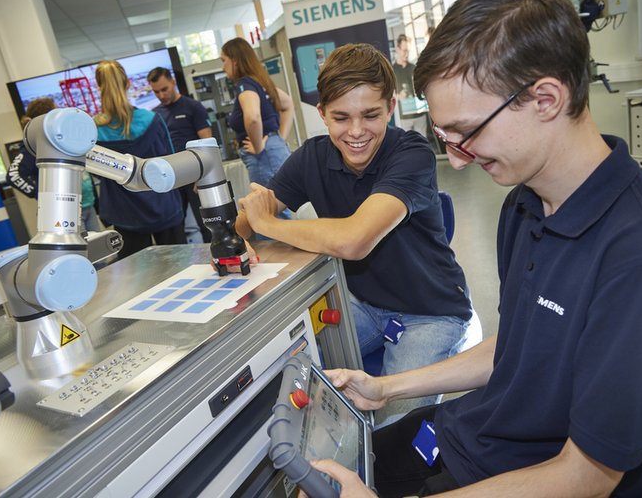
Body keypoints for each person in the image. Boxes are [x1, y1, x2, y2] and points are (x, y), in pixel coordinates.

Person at [302, 0, 642, 497]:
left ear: (545, 99)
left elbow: (587, 476)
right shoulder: (523, 206)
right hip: (474, 433)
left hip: (536, 475)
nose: (457, 162)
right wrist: (387, 386)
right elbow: (519, 345)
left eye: (467, 132)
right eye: (446, 138)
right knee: (324, 473)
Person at [236, 43, 478, 424]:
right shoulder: (312, 157)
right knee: (284, 368)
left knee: (394, 430)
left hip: (432, 313)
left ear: (391, 108)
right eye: (341, 117)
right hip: (364, 304)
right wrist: (251, 216)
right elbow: (246, 224)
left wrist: (268, 223)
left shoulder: (412, 154)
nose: (356, 131)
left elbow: (354, 240)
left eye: (370, 115)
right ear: (322, 114)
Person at [93, 60, 185, 259]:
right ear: (128, 84)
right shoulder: (153, 120)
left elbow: (98, 173)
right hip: (164, 207)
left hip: (125, 215)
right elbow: (171, 161)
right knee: (180, 266)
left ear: (99, 87)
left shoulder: (95, 131)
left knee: (137, 274)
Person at [7, 97, 102, 233]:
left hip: (88, 204)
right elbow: (14, 175)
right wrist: (40, 193)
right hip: (66, 212)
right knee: (82, 246)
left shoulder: (66, 139)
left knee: (98, 243)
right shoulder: (36, 147)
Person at [148, 66, 213, 243]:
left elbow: (207, 143)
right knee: (174, 227)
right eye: (156, 92)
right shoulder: (155, 115)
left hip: (195, 175)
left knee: (207, 223)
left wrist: (204, 177)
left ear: (173, 82)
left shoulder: (193, 107)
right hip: (170, 178)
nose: (161, 95)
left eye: (164, 89)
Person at [220, 37, 294, 191]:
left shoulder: (245, 85)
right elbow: (288, 104)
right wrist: (279, 138)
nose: (222, 67)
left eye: (223, 60)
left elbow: (253, 117)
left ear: (235, 60)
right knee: (281, 201)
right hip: (274, 150)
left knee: (269, 204)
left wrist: (258, 147)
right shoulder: (259, 82)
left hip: (264, 155)